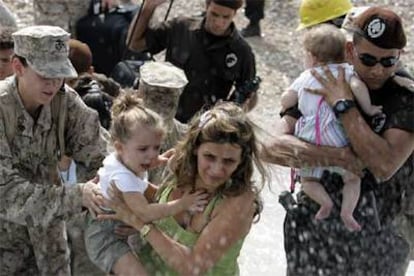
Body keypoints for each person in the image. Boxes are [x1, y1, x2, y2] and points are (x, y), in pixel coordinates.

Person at [261, 6, 413, 275]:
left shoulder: (405, 94)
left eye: (388, 61)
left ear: (399, 56)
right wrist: (337, 158)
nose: (378, 70)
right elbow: (270, 147)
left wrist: (344, 105)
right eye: (368, 59)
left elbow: (384, 164)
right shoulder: (326, 79)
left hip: (377, 235)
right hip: (314, 224)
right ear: (351, 50)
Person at [97, 101, 268, 275]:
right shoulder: (179, 164)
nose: (217, 170)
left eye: (229, 161)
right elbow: (156, 199)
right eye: (209, 156)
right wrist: (98, 189)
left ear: (241, 161)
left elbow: (193, 267)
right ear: (195, 149)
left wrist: (141, 224)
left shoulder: (240, 203)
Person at [0, 25, 108, 275]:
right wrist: (77, 195)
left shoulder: (64, 101)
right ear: (18, 67)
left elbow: (101, 155)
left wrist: (109, 193)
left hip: (51, 249)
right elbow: (7, 193)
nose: (53, 84)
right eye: (44, 75)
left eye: (59, 75)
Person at [84, 92, 208, 275]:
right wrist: (182, 204)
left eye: (156, 147)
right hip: (104, 238)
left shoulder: (124, 158)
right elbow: (145, 212)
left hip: (115, 229)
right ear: (120, 147)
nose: (151, 155)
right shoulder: (123, 179)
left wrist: (158, 160)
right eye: (143, 149)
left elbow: (138, 163)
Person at [281, 23, 382, 231]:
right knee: (353, 179)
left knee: (308, 179)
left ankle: (324, 203)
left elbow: (287, 100)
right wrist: (369, 108)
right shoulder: (346, 72)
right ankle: (347, 212)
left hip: (310, 138)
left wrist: (289, 103)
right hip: (338, 136)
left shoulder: (306, 76)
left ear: (312, 57)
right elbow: (358, 88)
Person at [127, 0, 260, 123]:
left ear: (235, 14)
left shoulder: (241, 51)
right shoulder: (181, 28)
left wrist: (228, 116)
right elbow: (135, 43)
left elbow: (249, 96)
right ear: (207, 6)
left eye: (226, 17)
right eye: (214, 14)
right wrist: (148, 8)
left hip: (203, 129)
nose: (219, 22)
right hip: (165, 119)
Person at [138, 61, 189, 184]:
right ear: (142, 94)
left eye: (170, 98)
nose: (162, 106)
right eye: (156, 98)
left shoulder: (185, 136)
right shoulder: (127, 130)